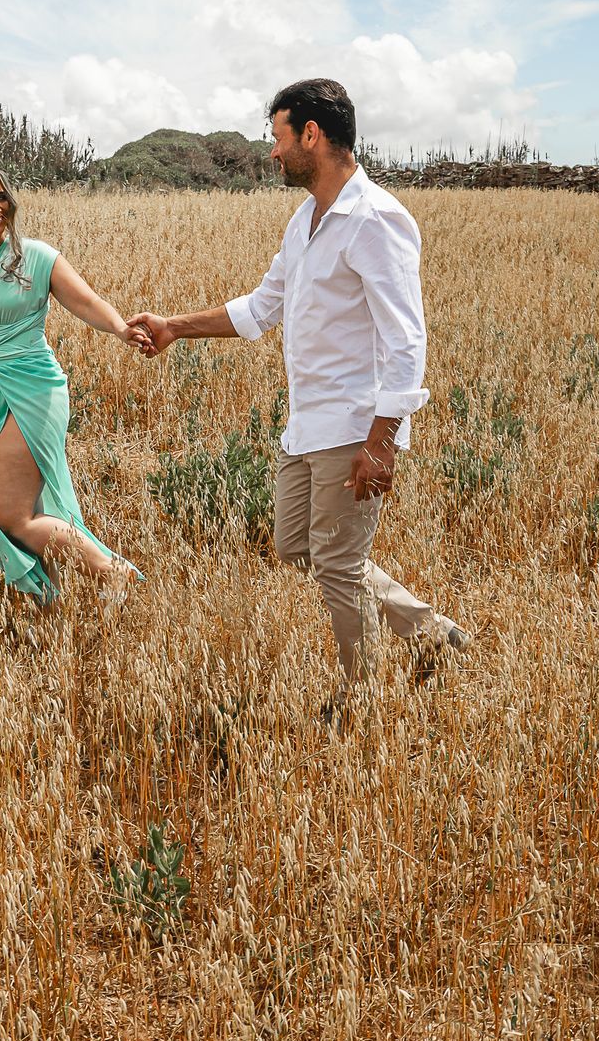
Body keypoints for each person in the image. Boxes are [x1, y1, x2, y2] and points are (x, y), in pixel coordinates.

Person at [129, 78, 469, 689]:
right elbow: (263, 307)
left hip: (354, 424)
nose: (273, 151)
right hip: (306, 424)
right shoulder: (304, 221)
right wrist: (175, 327)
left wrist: (382, 441)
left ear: (311, 134)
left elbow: (406, 340)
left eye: (278, 137)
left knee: (338, 563)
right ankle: (431, 631)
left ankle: (360, 700)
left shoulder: (376, 220)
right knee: (295, 545)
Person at [0, 162, 150, 600]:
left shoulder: (36, 256)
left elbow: (87, 302)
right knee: (26, 507)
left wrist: (121, 328)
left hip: (32, 391)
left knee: (13, 516)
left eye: (1, 197)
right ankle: (50, 605)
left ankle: (111, 571)